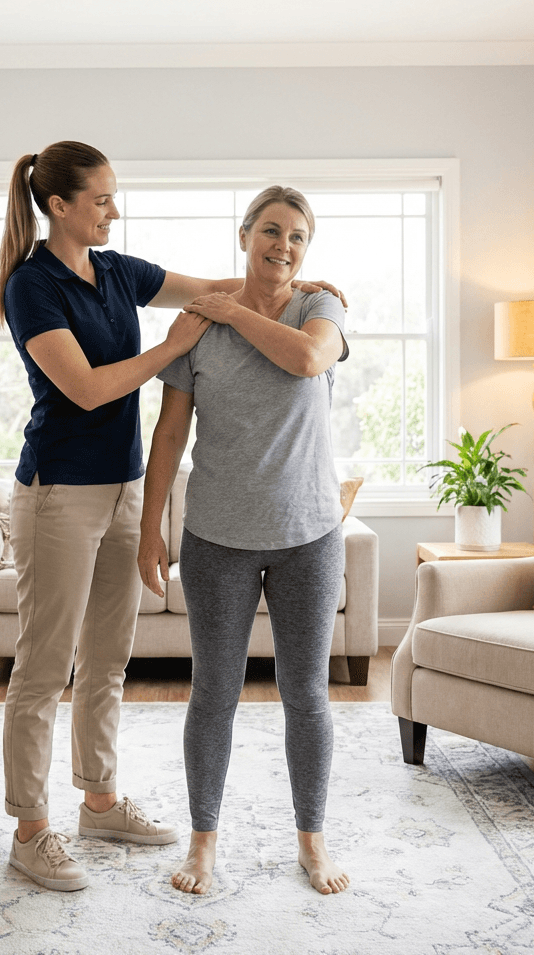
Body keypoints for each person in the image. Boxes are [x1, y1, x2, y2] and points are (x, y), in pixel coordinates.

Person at [0, 143, 342, 892]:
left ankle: (100, 800)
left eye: (113, 198)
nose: (112, 211)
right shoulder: (32, 287)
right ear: (58, 206)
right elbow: (86, 389)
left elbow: (223, 287)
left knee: (110, 655)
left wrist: (299, 280)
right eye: (100, 200)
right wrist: (172, 346)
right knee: (45, 664)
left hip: (120, 485)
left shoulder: (118, 269)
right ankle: (30, 830)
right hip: (59, 489)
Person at [137, 185, 351, 897]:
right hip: (217, 539)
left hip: (308, 537)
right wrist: (148, 531)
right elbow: (169, 434)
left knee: (306, 697)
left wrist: (232, 309)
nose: (282, 246)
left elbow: (308, 362)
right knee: (214, 694)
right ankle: (203, 845)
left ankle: (311, 842)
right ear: (243, 235)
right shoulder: (200, 327)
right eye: (270, 231)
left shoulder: (322, 308)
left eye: (296, 237)